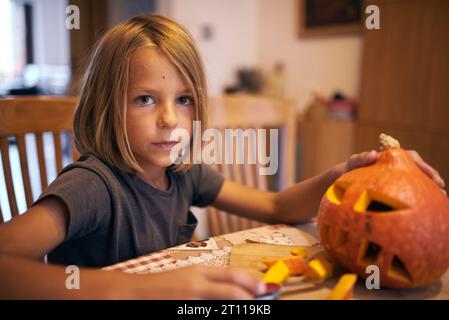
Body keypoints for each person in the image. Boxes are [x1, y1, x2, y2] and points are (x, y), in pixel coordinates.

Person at [0, 15, 445, 299]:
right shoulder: (93, 186)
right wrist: (139, 290)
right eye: (144, 100)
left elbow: (276, 206)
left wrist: (342, 175)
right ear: (104, 104)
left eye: (185, 99)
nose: (171, 119)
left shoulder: (183, 173)